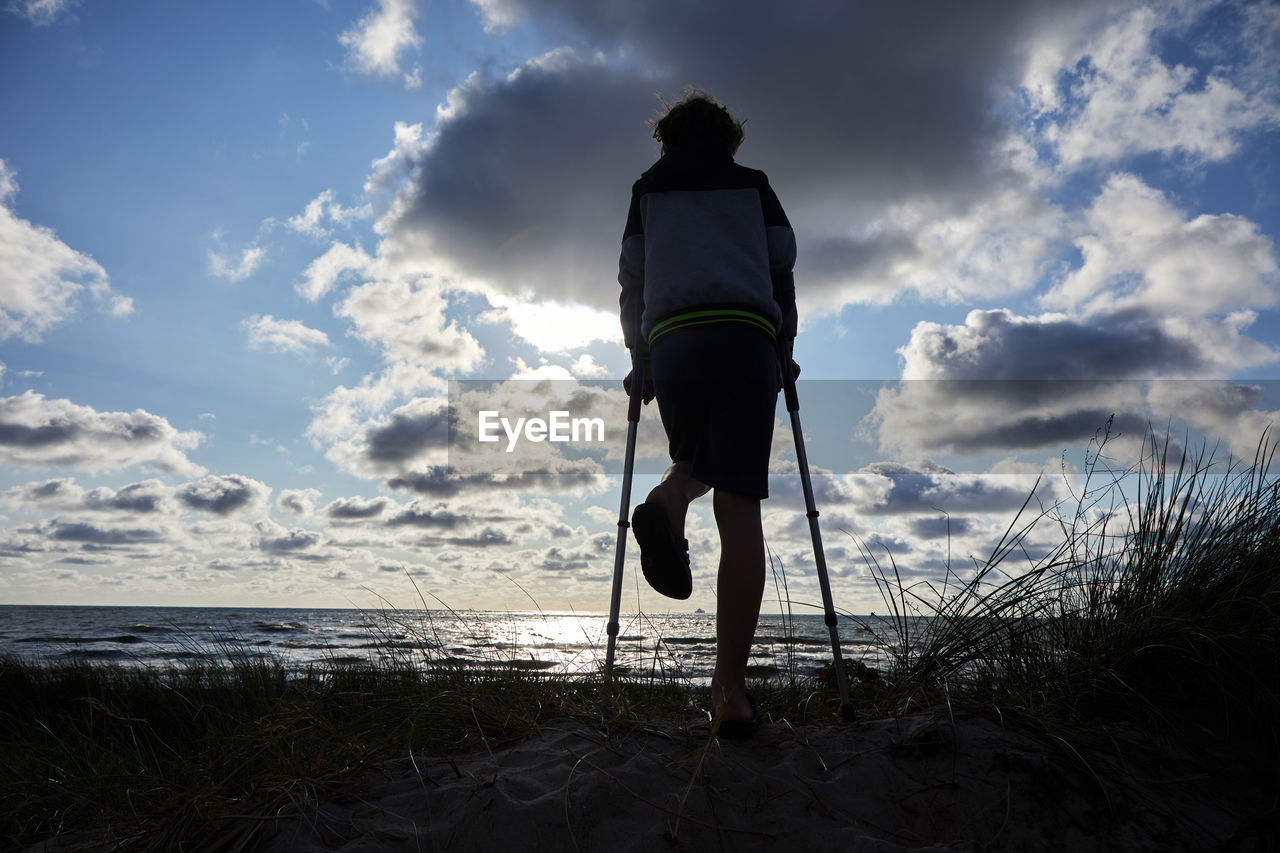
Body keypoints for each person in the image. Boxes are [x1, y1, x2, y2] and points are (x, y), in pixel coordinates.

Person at [618, 90, 798, 736]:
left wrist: (640, 356)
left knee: (695, 461)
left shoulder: (647, 192)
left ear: (667, 138)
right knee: (738, 506)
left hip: (675, 343)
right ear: (727, 138)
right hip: (746, 335)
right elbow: (781, 271)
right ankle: (730, 691)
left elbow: (632, 282)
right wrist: (788, 348)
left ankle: (668, 503)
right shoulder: (754, 187)